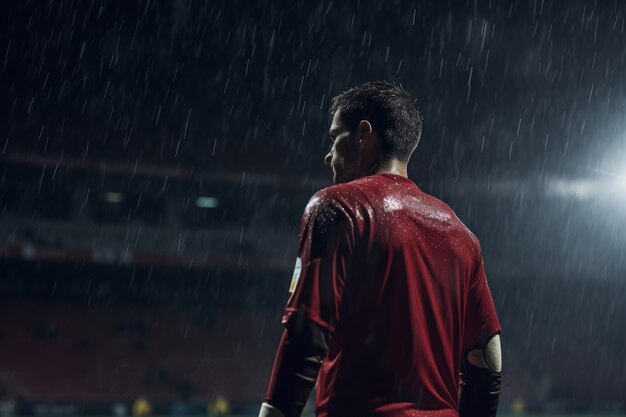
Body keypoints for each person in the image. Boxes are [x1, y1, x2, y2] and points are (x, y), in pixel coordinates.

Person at [259, 81, 502, 417]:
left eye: (334, 137)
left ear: (363, 133)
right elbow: (487, 357)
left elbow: (306, 331)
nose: (328, 154)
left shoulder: (337, 206)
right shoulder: (463, 236)